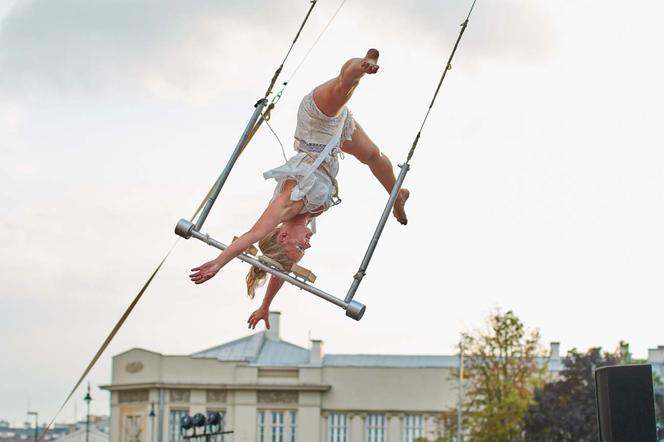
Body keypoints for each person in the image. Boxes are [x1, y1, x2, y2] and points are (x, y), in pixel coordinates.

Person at [189, 48, 409, 329]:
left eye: (299, 246)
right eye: (304, 249)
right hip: (334, 140)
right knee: (373, 156)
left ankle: (364, 65)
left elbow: (253, 234)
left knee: (344, 86)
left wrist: (219, 262)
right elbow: (280, 268)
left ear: (282, 236)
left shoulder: (288, 205)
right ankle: (397, 194)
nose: (307, 243)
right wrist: (265, 305)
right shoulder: (305, 222)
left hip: (315, 124)